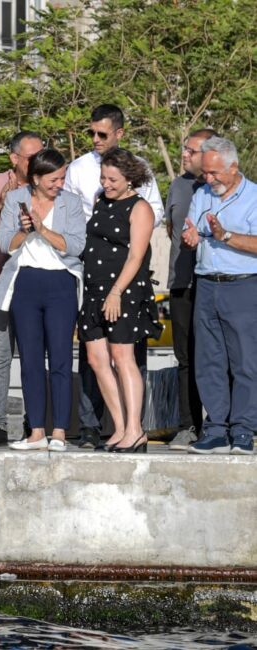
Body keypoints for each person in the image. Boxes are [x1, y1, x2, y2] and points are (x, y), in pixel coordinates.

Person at [64, 104, 164, 448]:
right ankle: (120, 426)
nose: (105, 184)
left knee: (123, 358)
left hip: (122, 290)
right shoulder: (101, 200)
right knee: (95, 359)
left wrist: (116, 292)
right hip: (94, 288)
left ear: (129, 180)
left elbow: (137, 254)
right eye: (103, 178)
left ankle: (136, 428)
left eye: (112, 180)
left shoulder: (140, 207)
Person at [0, 148, 85, 451]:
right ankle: (36, 431)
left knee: (60, 357)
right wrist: (24, 230)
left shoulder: (70, 202)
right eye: (54, 179)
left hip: (60, 281)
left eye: (62, 177)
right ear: (37, 178)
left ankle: (59, 431)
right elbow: (4, 242)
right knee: (29, 360)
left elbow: (76, 245)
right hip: (26, 282)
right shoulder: (16, 199)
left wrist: (43, 229)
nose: (60, 183)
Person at [181, 136, 257, 455]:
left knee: (244, 361)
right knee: (208, 361)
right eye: (206, 173)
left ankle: (243, 429)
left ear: (233, 166)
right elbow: (197, 232)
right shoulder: (201, 195)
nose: (209, 179)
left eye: (215, 173)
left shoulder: (254, 197)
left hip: (242, 284)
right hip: (206, 284)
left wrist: (226, 236)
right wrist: (191, 237)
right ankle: (214, 428)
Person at [0, 131, 44, 446]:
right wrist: (2, 201)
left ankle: (37, 422)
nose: (37, 162)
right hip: (1, 278)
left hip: (36, 279)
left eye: (41, 155)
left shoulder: (50, 185)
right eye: (31, 157)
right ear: (14, 159)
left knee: (34, 353)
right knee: (1, 355)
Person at [164, 129, 217, 450]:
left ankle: (222, 422)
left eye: (191, 151)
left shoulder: (223, 188)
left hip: (214, 283)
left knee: (215, 357)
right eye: (184, 149)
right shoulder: (178, 186)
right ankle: (189, 425)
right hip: (181, 283)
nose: (184, 155)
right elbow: (173, 230)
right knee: (184, 358)